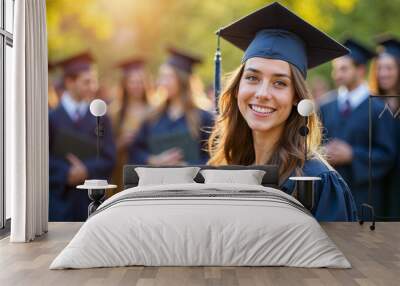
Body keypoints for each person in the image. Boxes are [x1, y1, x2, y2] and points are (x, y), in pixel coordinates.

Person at [208, 2, 357, 221]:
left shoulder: (318, 182)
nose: (262, 93)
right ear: (238, 87)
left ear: (297, 97)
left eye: (279, 83)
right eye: (252, 77)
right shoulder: (228, 168)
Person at [319, 38, 396, 217]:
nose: (337, 74)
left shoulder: (378, 108)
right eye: (335, 69)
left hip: (366, 200)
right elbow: (311, 146)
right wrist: (322, 152)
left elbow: (387, 156)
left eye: (344, 68)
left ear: (360, 70)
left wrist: (353, 155)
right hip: (330, 198)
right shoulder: (325, 106)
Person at [49, 52, 116, 221]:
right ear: (69, 82)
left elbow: (110, 157)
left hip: (93, 201)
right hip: (60, 201)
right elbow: (42, 158)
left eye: (94, 81)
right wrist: (66, 173)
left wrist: (86, 169)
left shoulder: (101, 117)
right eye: (86, 82)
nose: (92, 87)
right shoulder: (51, 118)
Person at [128, 47, 214, 165]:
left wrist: (190, 167)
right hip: (157, 181)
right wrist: (154, 160)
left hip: (191, 182)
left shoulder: (204, 118)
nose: (162, 82)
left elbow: (213, 158)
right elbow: (135, 151)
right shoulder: (153, 116)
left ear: (182, 80)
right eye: (162, 76)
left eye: (168, 77)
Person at [109, 58, 152, 192]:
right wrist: (121, 142)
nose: (136, 86)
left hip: (148, 169)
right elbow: (106, 148)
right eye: (132, 82)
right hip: (122, 168)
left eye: (140, 81)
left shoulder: (154, 110)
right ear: (125, 84)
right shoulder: (114, 112)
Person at [372, 37, 400, 218]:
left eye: (389, 68)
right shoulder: (372, 105)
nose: (383, 73)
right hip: (377, 186)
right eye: (379, 68)